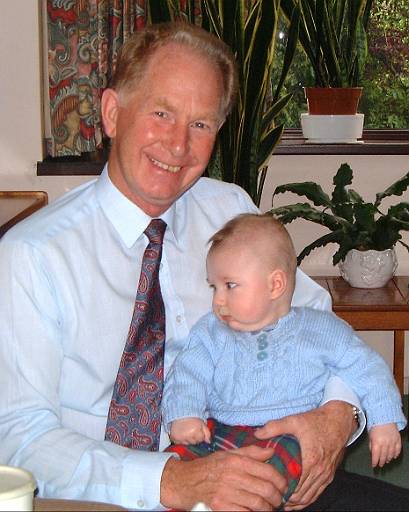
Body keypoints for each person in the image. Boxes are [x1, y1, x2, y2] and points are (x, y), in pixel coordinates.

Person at [0, 21, 408, 511]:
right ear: (111, 113)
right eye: (161, 113)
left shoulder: (229, 211)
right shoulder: (32, 256)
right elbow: (19, 438)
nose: (178, 145)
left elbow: (318, 322)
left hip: (256, 469)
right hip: (102, 496)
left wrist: (336, 416)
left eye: (201, 124)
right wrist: (169, 481)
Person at [163, 213, 406, 481]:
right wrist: (185, 415)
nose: (218, 300)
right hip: (221, 430)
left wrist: (384, 421)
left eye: (230, 286)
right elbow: (187, 375)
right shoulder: (210, 332)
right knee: (179, 463)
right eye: (214, 287)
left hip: (290, 437)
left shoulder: (321, 329)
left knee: (276, 469)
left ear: (275, 285)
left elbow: (368, 368)